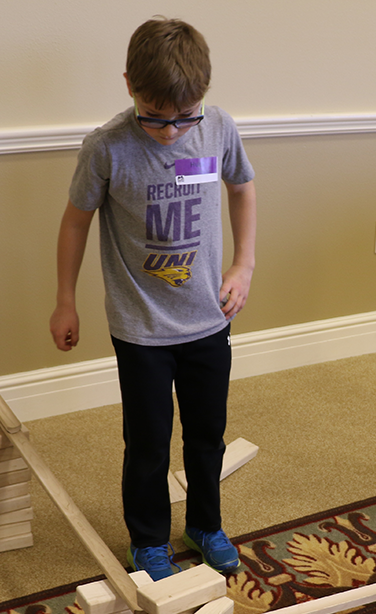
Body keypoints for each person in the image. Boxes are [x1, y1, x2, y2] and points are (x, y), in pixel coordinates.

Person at [50, 17, 257, 580]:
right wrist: (65, 300)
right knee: (147, 441)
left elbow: (242, 188)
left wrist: (244, 262)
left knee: (207, 434)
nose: (170, 131)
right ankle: (147, 539)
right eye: (155, 117)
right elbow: (75, 223)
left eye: (183, 117)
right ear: (129, 85)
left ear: (203, 97)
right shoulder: (107, 147)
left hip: (209, 319)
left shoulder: (219, 129)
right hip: (141, 327)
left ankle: (205, 524)